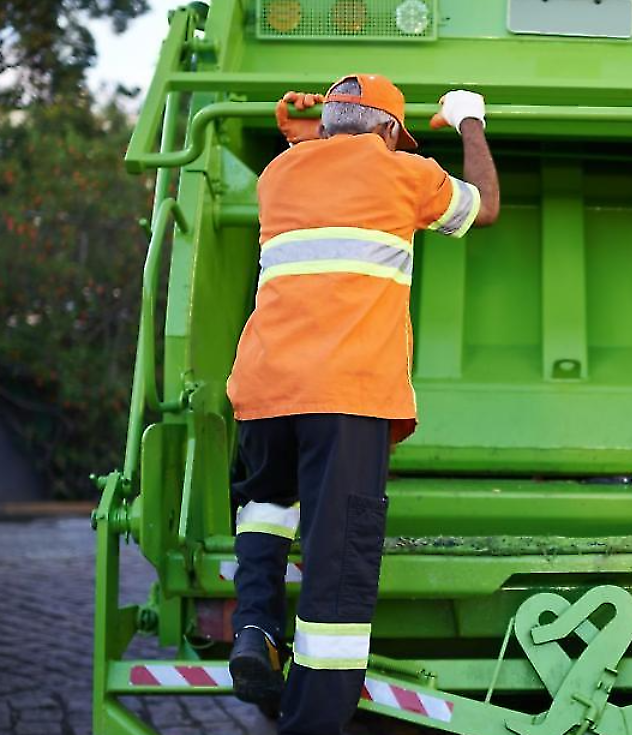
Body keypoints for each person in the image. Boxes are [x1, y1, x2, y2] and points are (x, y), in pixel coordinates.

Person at [224, 73, 499, 735]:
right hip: (345, 395)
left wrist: (300, 131)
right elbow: (484, 205)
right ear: (385, 132)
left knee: (266, 510)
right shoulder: (403, 173)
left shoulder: (278, 175)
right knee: (335, 568)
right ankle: (311, 722)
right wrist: (468, 121)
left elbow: (316, 149)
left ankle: (255, 624)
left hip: (264, 387)